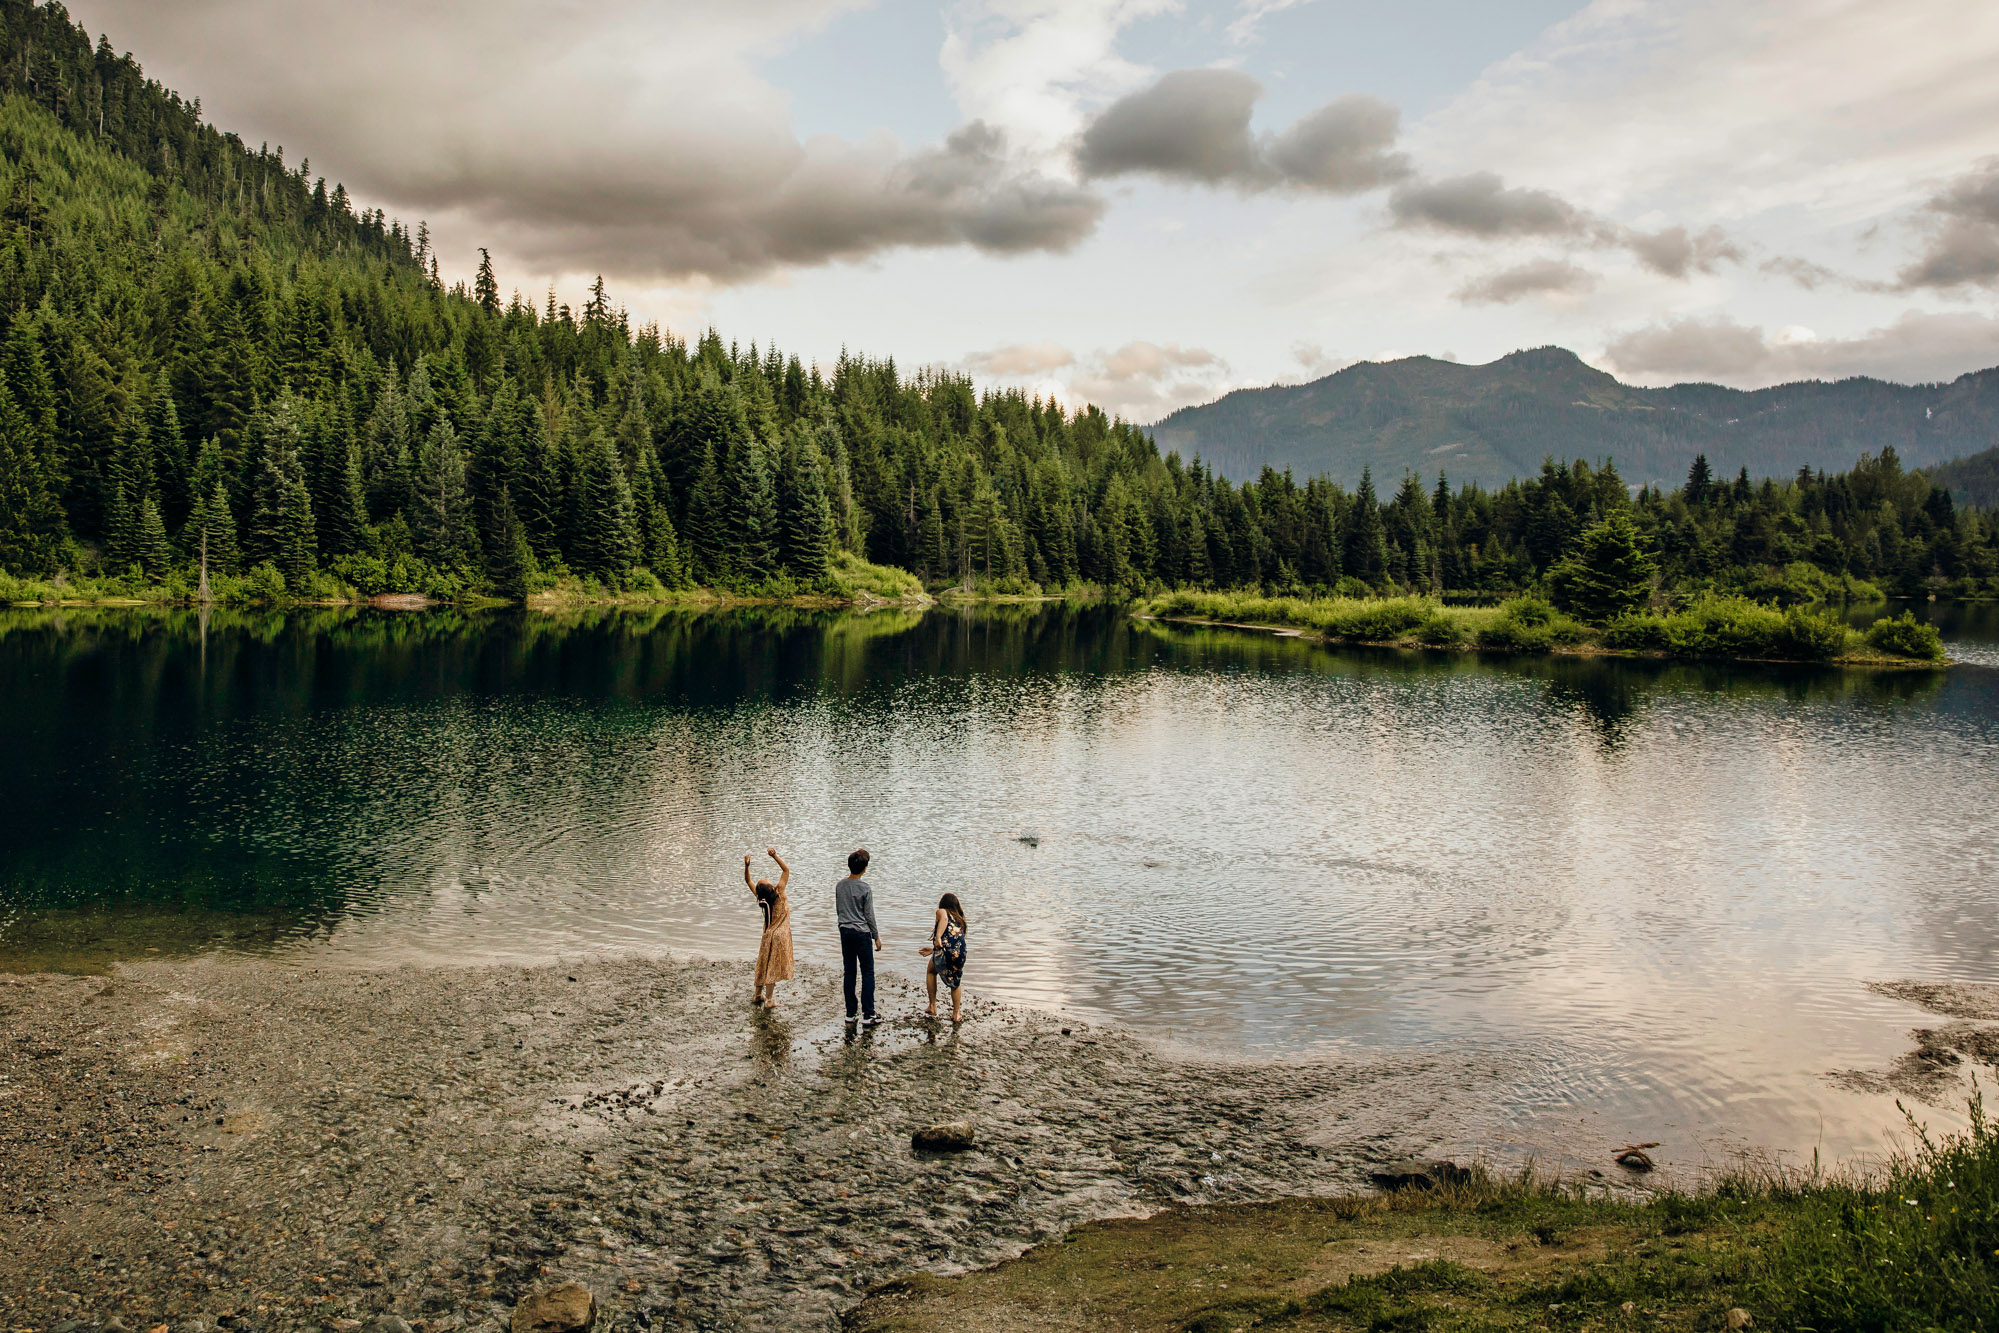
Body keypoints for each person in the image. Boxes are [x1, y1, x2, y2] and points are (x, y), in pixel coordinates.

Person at [836, 847, 882, 1025]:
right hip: (862, 933)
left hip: (845, 931)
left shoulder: (840, 885)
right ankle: (868, 1014)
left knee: (849, 971)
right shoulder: (865, 888)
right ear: (865, 868)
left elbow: (839, 909)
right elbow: (869, 915)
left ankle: (850, 1012)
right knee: (867, 972)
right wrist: (876, 936)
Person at [746, 848, 793, 1010]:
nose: (766, 878)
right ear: (772, 887)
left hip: (767, 935)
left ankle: (758, 995)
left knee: (762, 964)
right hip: (779, 936)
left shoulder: (761, 898)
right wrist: (774, 856)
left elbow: (748, 882)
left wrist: (747, 867)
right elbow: (786, 870)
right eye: (765, 880)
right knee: (772, 967)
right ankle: (770, 1000)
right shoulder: (779, 892)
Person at [919, 892, 968, 1023]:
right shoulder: (959, 920)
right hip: (960, 953)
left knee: (931, 970)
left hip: (945, 950)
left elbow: (944, 920)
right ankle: (956, 1013)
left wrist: (938, 937)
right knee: (956, 981)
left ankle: (932, 1006)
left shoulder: (942, 912)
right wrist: (933, 950)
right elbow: (953, 941)